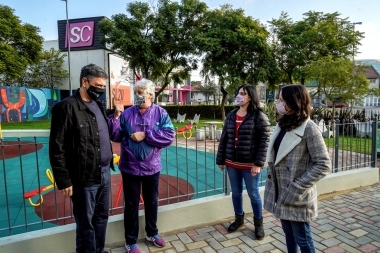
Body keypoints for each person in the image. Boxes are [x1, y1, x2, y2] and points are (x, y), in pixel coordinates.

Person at [49, 64, 114, 253]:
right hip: (83, 177)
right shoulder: (67, 107)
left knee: (101, 217)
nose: (101, 90)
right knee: (86, 223)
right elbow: (57, 147)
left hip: (104, 173)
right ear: (85, 81)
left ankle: (99, 250)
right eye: (98, 85)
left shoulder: (98, 105)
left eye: (103, 86)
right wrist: (63, 180)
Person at [108, 79, 175, 253]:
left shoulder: (161, 113)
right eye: (136, 93)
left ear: (150, 95)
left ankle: (152, 233)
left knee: (152, 202)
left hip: (152, 167)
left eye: (141, 93)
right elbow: (116, 135)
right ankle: (130, 241)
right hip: (129, 167)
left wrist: (146, 135)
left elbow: (169, 135)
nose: (137, 96)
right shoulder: (127, 113)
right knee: (131, 205)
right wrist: (116, 116)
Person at [264, 84, 331, 253]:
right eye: (278, 99)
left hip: (296, 194)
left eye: (281, 99)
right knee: (288, 233)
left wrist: (296, 187)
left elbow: (323, 164)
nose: (278, 102)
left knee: (303, 237)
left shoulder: (309, 128)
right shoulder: (282, 124)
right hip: (281, 191)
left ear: (294, 101)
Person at [216, 84, 270, 240]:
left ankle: (258, 225)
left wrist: (258, 164)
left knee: (253, 194)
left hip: (250, 165)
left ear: (250, 97)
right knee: (236, 193)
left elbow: (263, 142)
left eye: (242, 94)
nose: (239, 96)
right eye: (238, 93)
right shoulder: (232, 115)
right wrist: (221, 159)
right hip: (232, 163)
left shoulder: (259, 116)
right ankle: (239, 219)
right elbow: (224, 138)